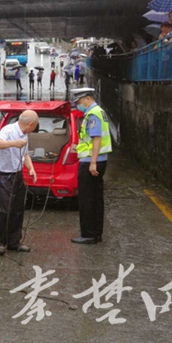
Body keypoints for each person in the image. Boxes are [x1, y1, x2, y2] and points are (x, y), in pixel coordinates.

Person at [0, 110, 38, 255]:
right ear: (30, 124)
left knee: (18, 209)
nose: (35, 128)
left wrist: (31, 169)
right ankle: (0, 242)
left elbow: (25, 154)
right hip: (4, 175)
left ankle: (14, 242)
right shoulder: (8, 130)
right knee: (6, 210)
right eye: (35, 125)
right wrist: (13, 143)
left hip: (17, 174)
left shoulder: (25, 134)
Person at [71, 89, 112, 245]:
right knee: (96, 198)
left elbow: (96, 138)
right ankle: (96, 233)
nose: (78, 105)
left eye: (79, 102)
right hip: (98, 160)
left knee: (87, 199)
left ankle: (88, 234)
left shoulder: (93, 114)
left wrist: (93, 162)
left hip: (91, 162)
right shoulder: (99, 111)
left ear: (87, 99)